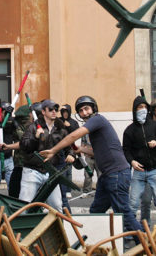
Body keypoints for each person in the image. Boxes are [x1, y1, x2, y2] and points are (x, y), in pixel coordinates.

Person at [40, 95, 143, 236]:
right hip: (107, 176)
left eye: (86, 108)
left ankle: (145, 245)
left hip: (117, 174)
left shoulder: (97, 119)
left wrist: (53, 150)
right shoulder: (95, 128)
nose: (84, 113)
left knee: (123, 213)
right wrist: (82, 149)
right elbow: (96, 152)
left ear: (93, 108)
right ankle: (98, 242)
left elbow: (73, 136)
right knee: (95, 212)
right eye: (81, 111)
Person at [123, 96, 156, 225]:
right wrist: (132, 162)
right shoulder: (129, 130)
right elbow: (126, 150)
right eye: (140, 107)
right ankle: (130, 234)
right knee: (133, 205)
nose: (143, 110)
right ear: (134, 110)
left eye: (145, 107)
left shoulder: (155, 126)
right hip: (139, 172)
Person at [19, 99, 75, 212]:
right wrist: (35, 137)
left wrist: (70, 154)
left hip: (50, 172)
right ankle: (19, 229)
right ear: (43, 111)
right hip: (32, 171)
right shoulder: (33, 127)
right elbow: (23, 147)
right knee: (24, 207)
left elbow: (68, 146)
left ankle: (57, 229)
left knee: (57, 207)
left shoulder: (60, 129)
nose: (54, 111)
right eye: (50, 109)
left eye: (56, 109)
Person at [59, 104, 79, 199]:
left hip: (70, 148)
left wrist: (69, 126)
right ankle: (59, 190)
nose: (65, 114)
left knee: (68, 171)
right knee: (59, 170)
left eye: (66, 112)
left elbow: (77, 133)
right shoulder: (58, 121)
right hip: (59, 148)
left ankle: (68, 190)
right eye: (63, 112)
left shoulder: (73, 122)